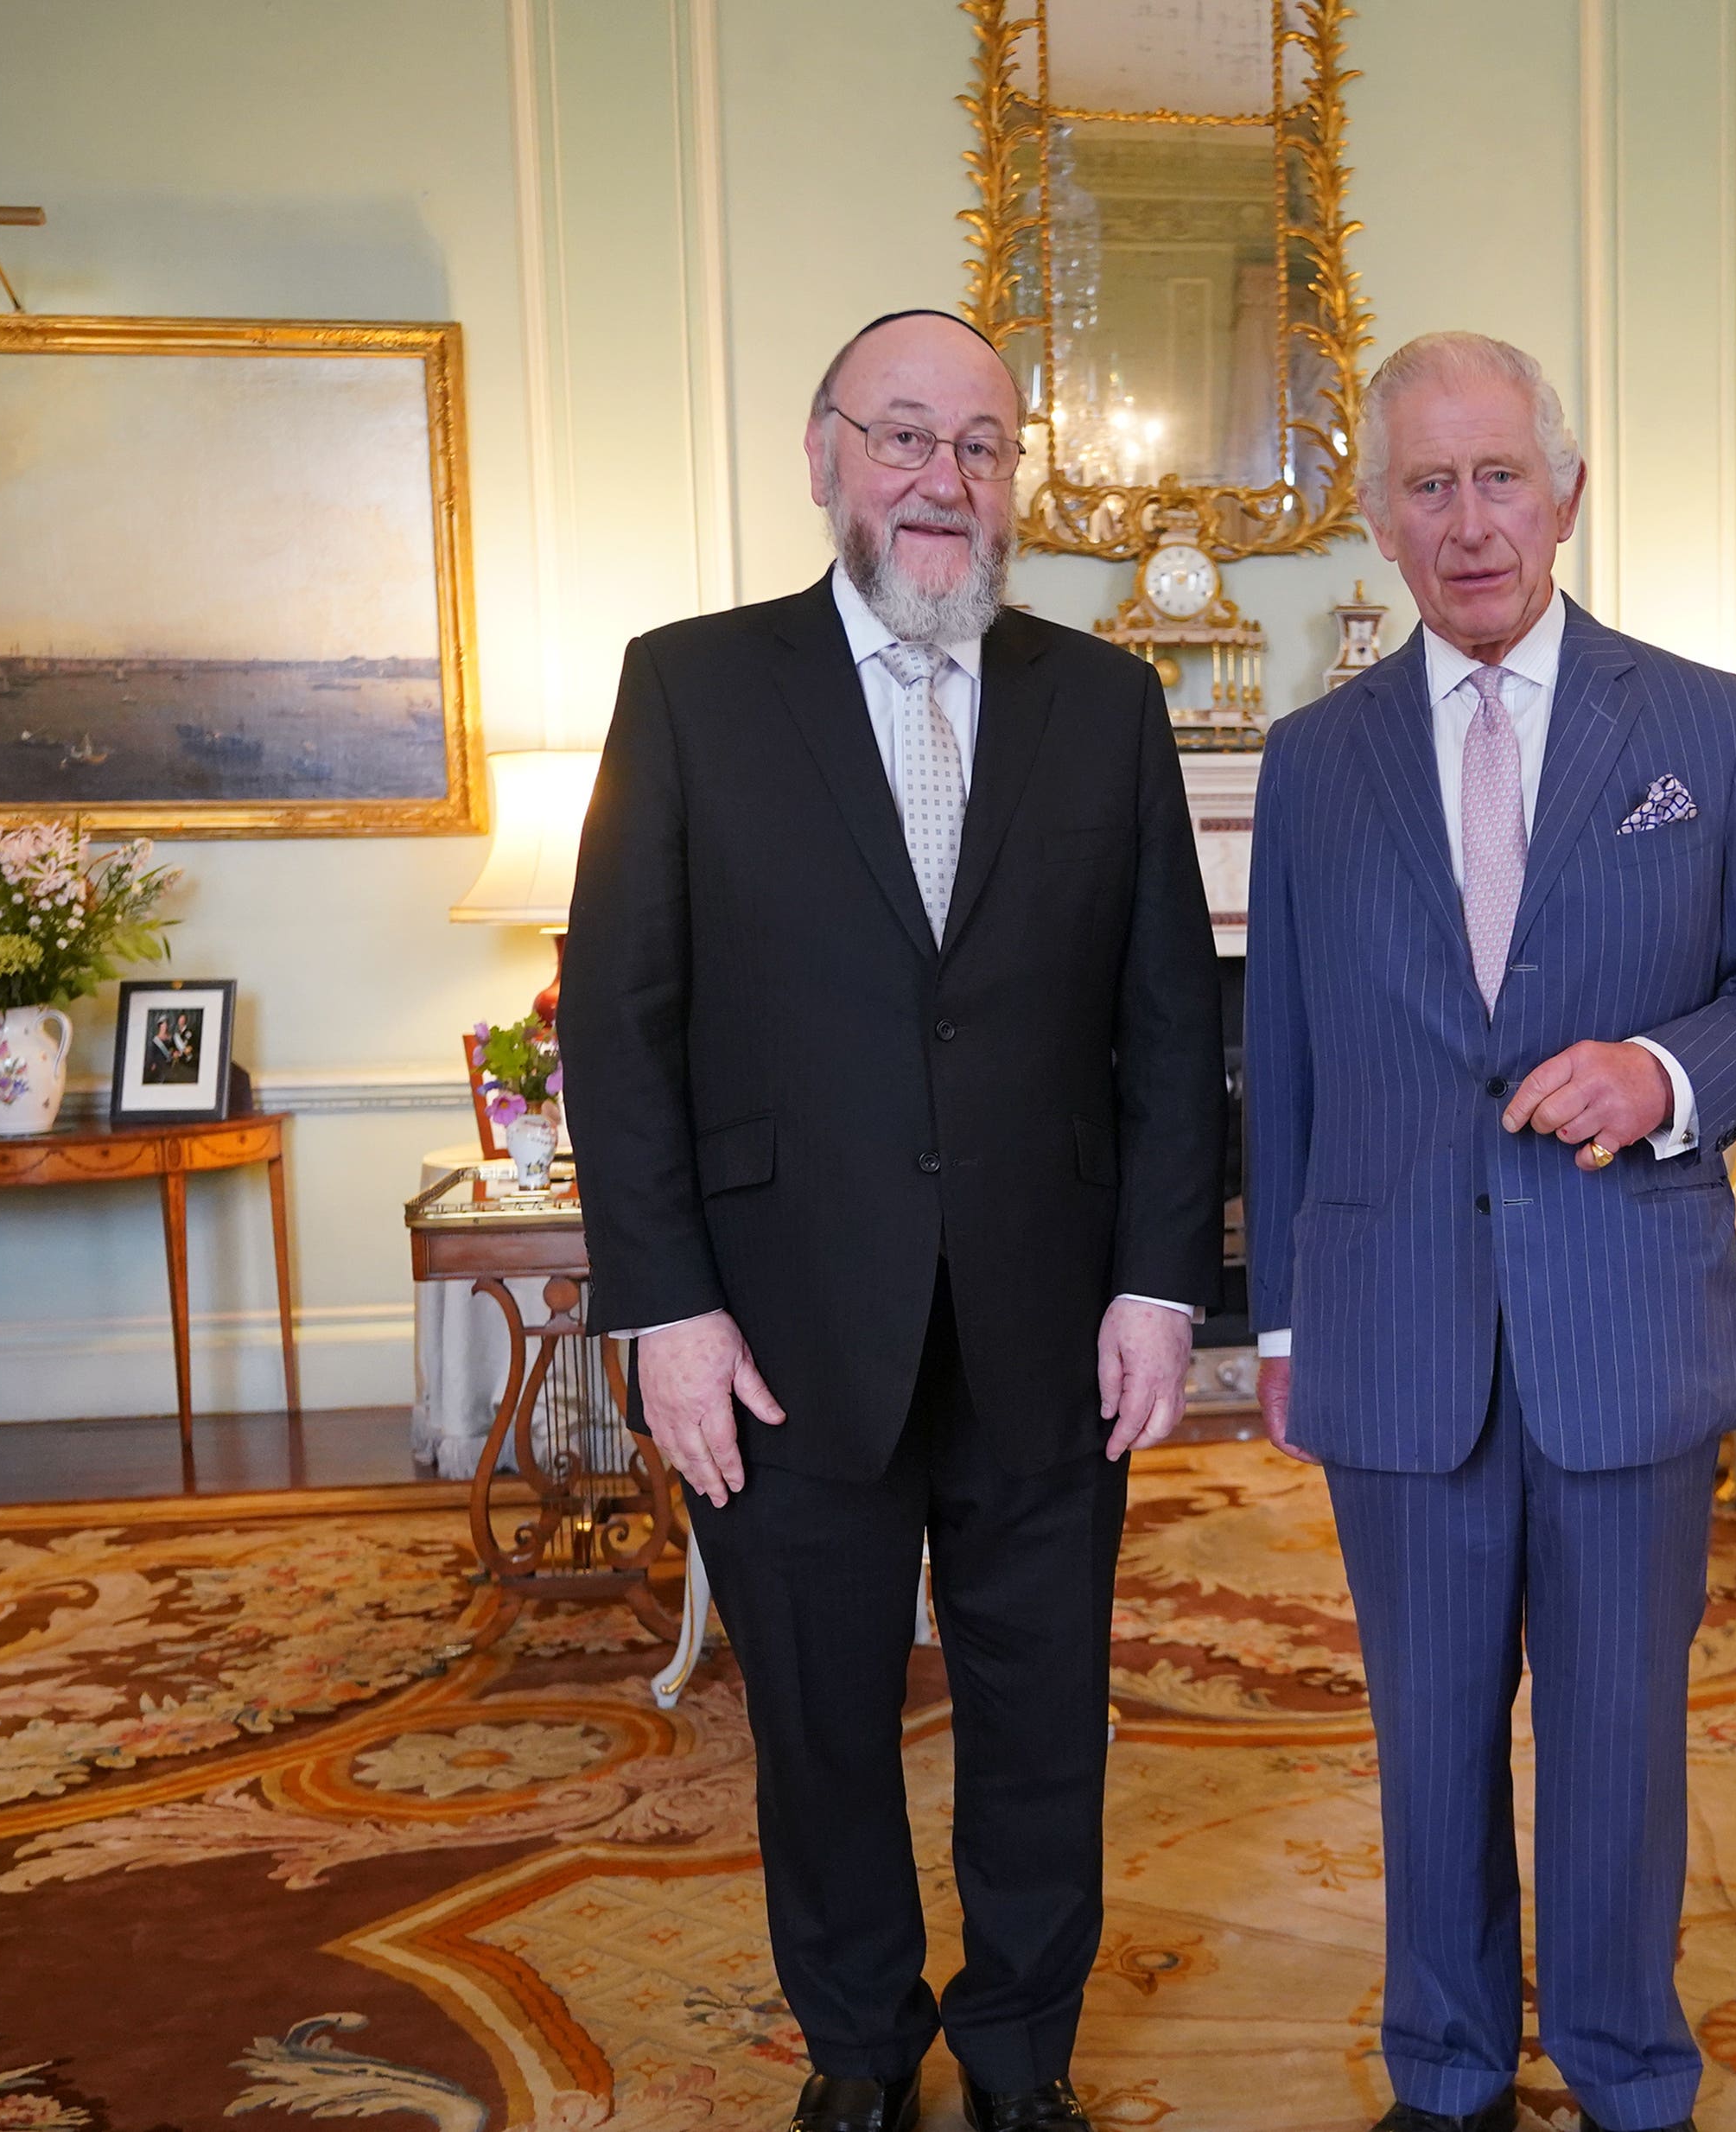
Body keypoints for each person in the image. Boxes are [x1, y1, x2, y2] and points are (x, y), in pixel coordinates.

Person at [563, 308, 1226, 2132]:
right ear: (823, 450)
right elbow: (618, 1022)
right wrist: (663, 1308)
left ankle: (1020, 2054)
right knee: (821, 1730)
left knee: (1041, 1726)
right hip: (775, 1335)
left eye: (983, 445)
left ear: (1017, 479)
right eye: (907, 436)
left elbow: (1169, 1022)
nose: (945, 479)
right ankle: (859, 2048)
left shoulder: (1107, 704)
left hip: (1049, 1321)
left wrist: (1165, 1280)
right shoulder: (690, 687)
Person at [1242, 330, 1736, 2132]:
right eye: (1426, 485)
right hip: (1392, 1325)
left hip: (1622, 1326)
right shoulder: (1309, 758)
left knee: (1614, 1744)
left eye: (1499, 476)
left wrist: (1658, 1068)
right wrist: (1277, 1328)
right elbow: (1274, 1060)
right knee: (1425, 1740)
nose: (1469, 519)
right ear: (1375, 520)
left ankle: (1624, 2064)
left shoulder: (1704, 722)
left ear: (1566, 494)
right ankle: (1440, 2067)